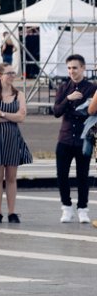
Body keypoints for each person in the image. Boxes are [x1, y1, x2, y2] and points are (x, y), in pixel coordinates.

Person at [0, 62, 32, 224]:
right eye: (9, 73)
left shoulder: (19, 94)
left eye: (13, 73)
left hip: (12, 137)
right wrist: (11, 117)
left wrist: (3, 114)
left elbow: (22, 117)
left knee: (11, 177)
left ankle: (12, 212)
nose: (12, 75)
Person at [51, 54, 96, 225]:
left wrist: (76, 110)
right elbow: (56, 111)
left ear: (83, 68)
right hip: (65, 137)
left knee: (82, 175)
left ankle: (83, 209)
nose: (71, 71)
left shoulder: (91, 88)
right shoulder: (63, 88)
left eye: (75, 68)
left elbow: (89, 112)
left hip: (84, 138)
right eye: (69, 68)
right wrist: (68, 100)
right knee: (62, 174)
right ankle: (66, 207)